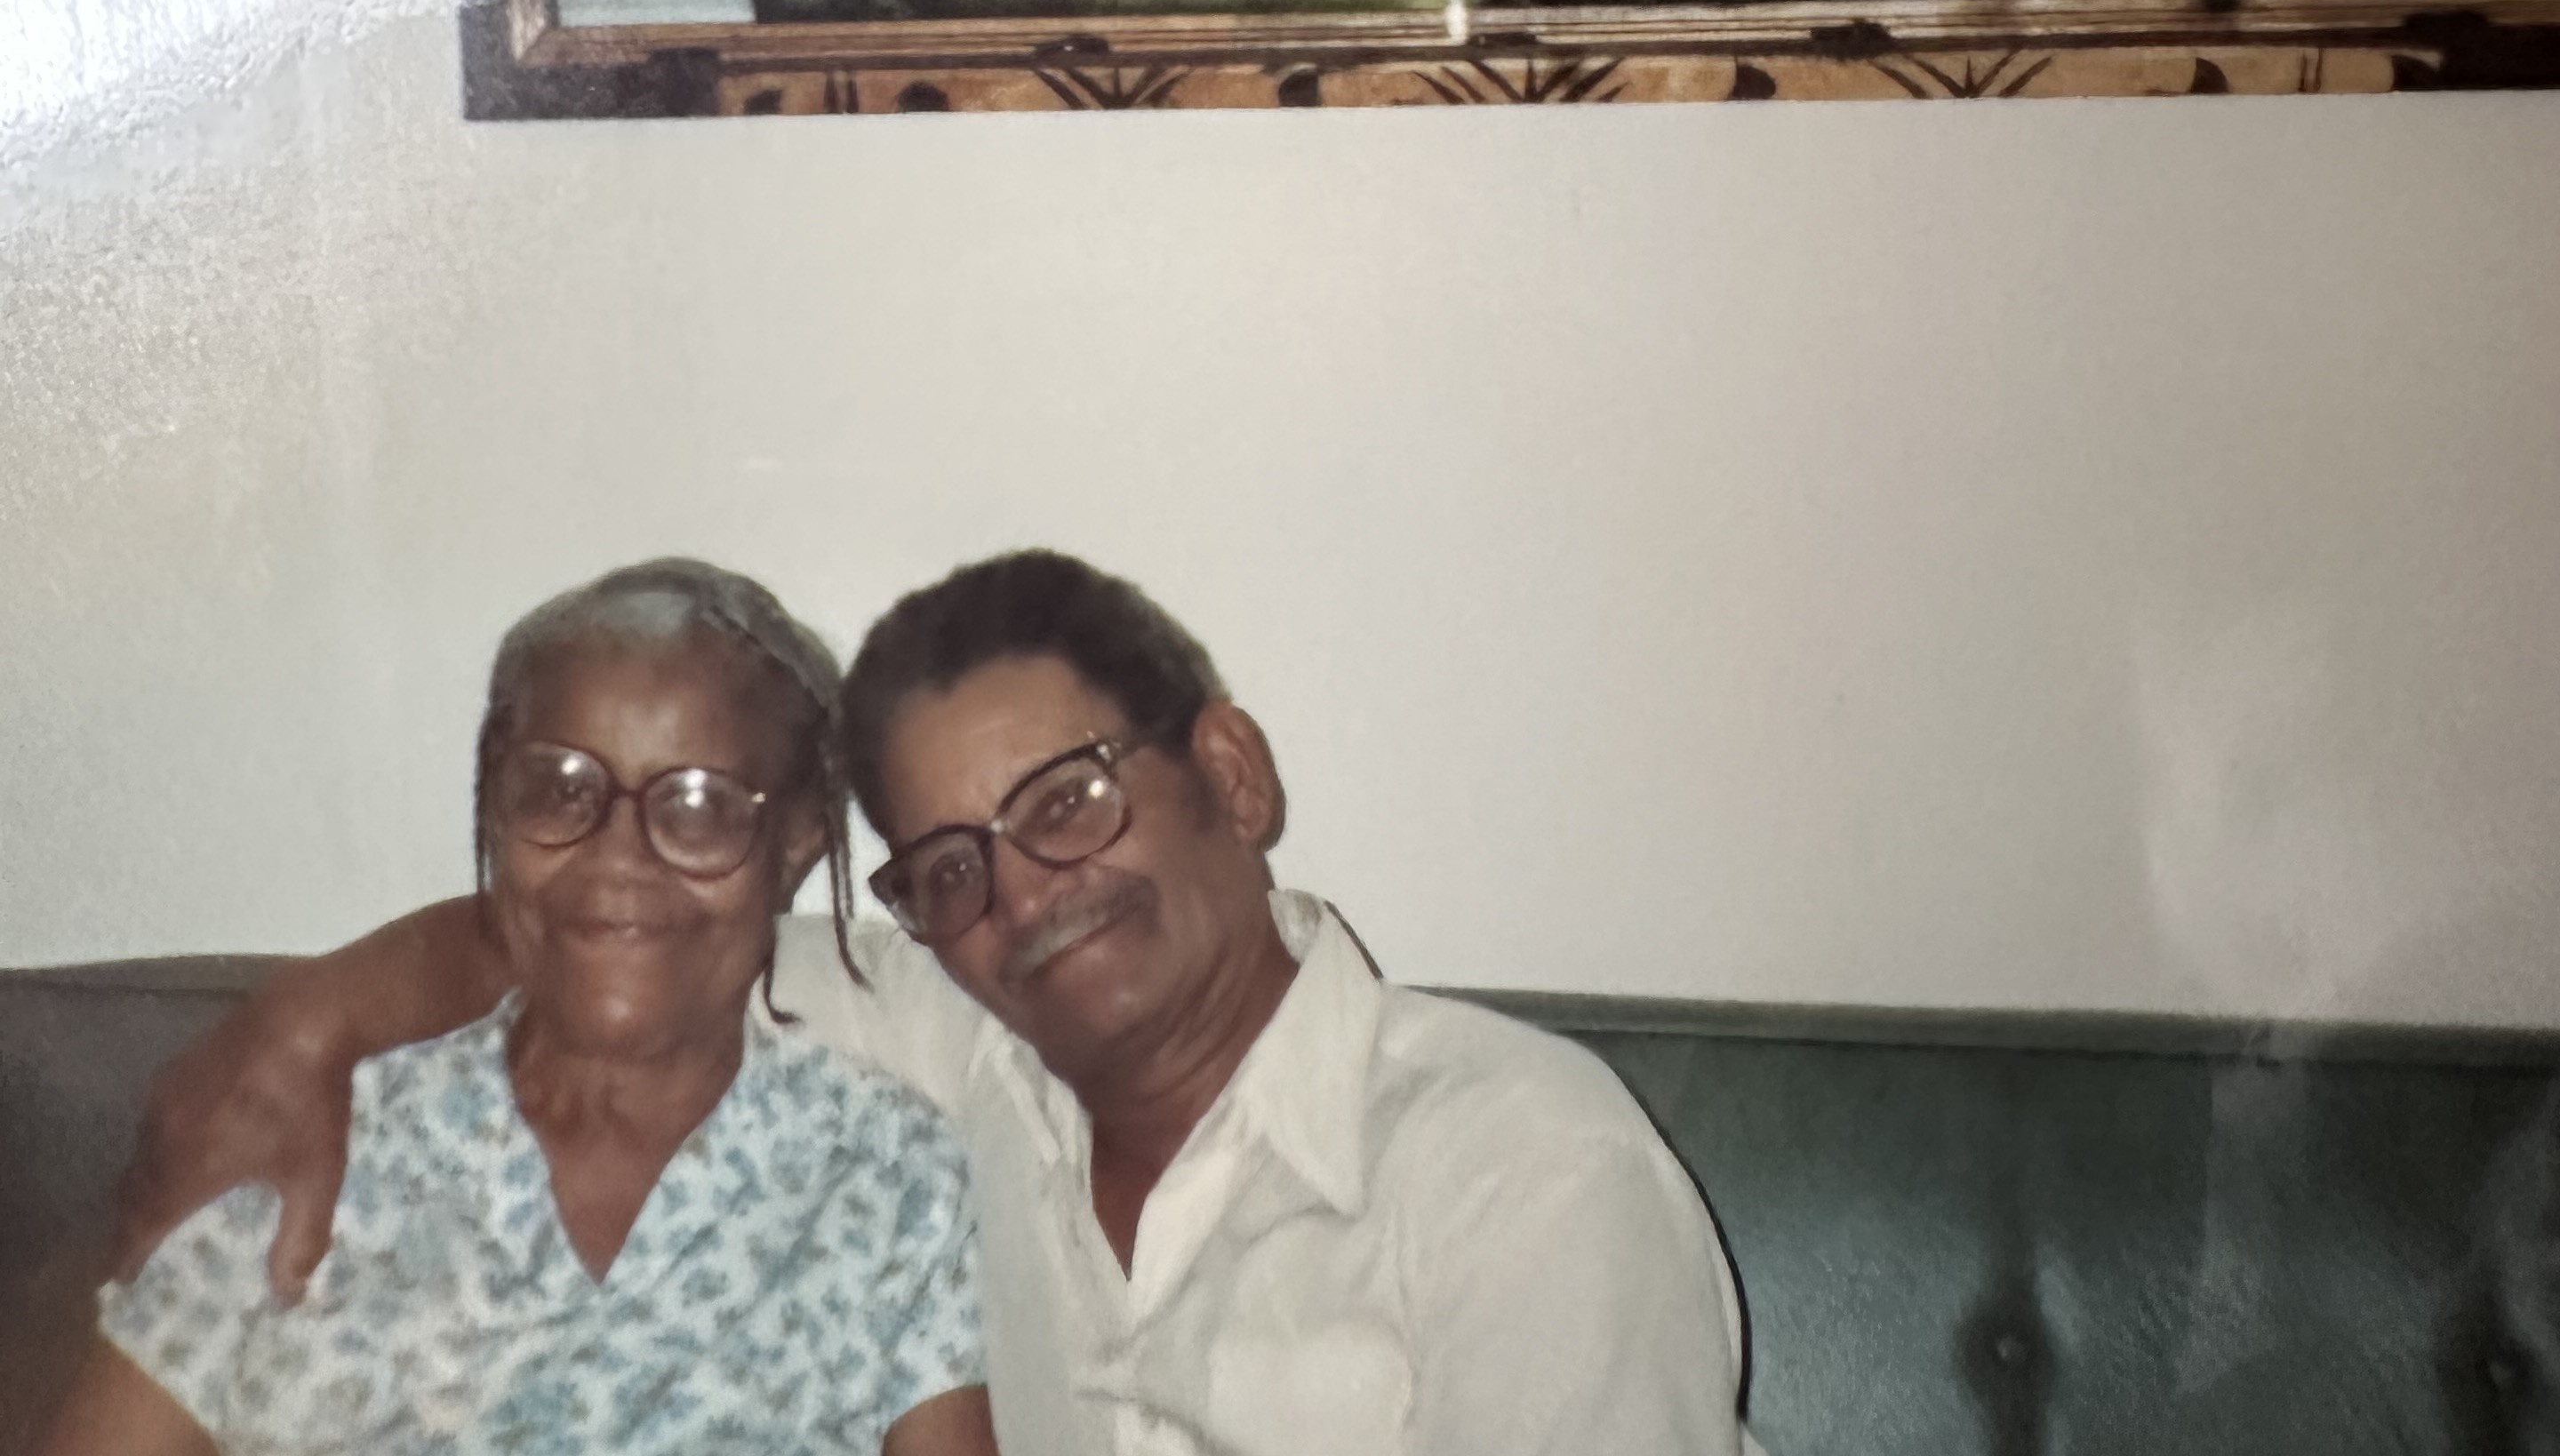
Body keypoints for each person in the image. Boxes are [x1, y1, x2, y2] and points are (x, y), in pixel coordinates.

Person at [114, 551, 1757, 1456]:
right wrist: (309, 1021)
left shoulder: (1518, 1169)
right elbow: (629, 924)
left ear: (1231, 775)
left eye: (1070, 802)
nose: (1026, 896)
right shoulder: (958, 1057)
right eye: (953, 867)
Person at [52, 560, 993, 1456]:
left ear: (795, 841)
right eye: (559, 790)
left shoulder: (883, 1171)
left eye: (697, 805)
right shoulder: (308, 1142)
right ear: (498, 811)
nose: (616, 855)